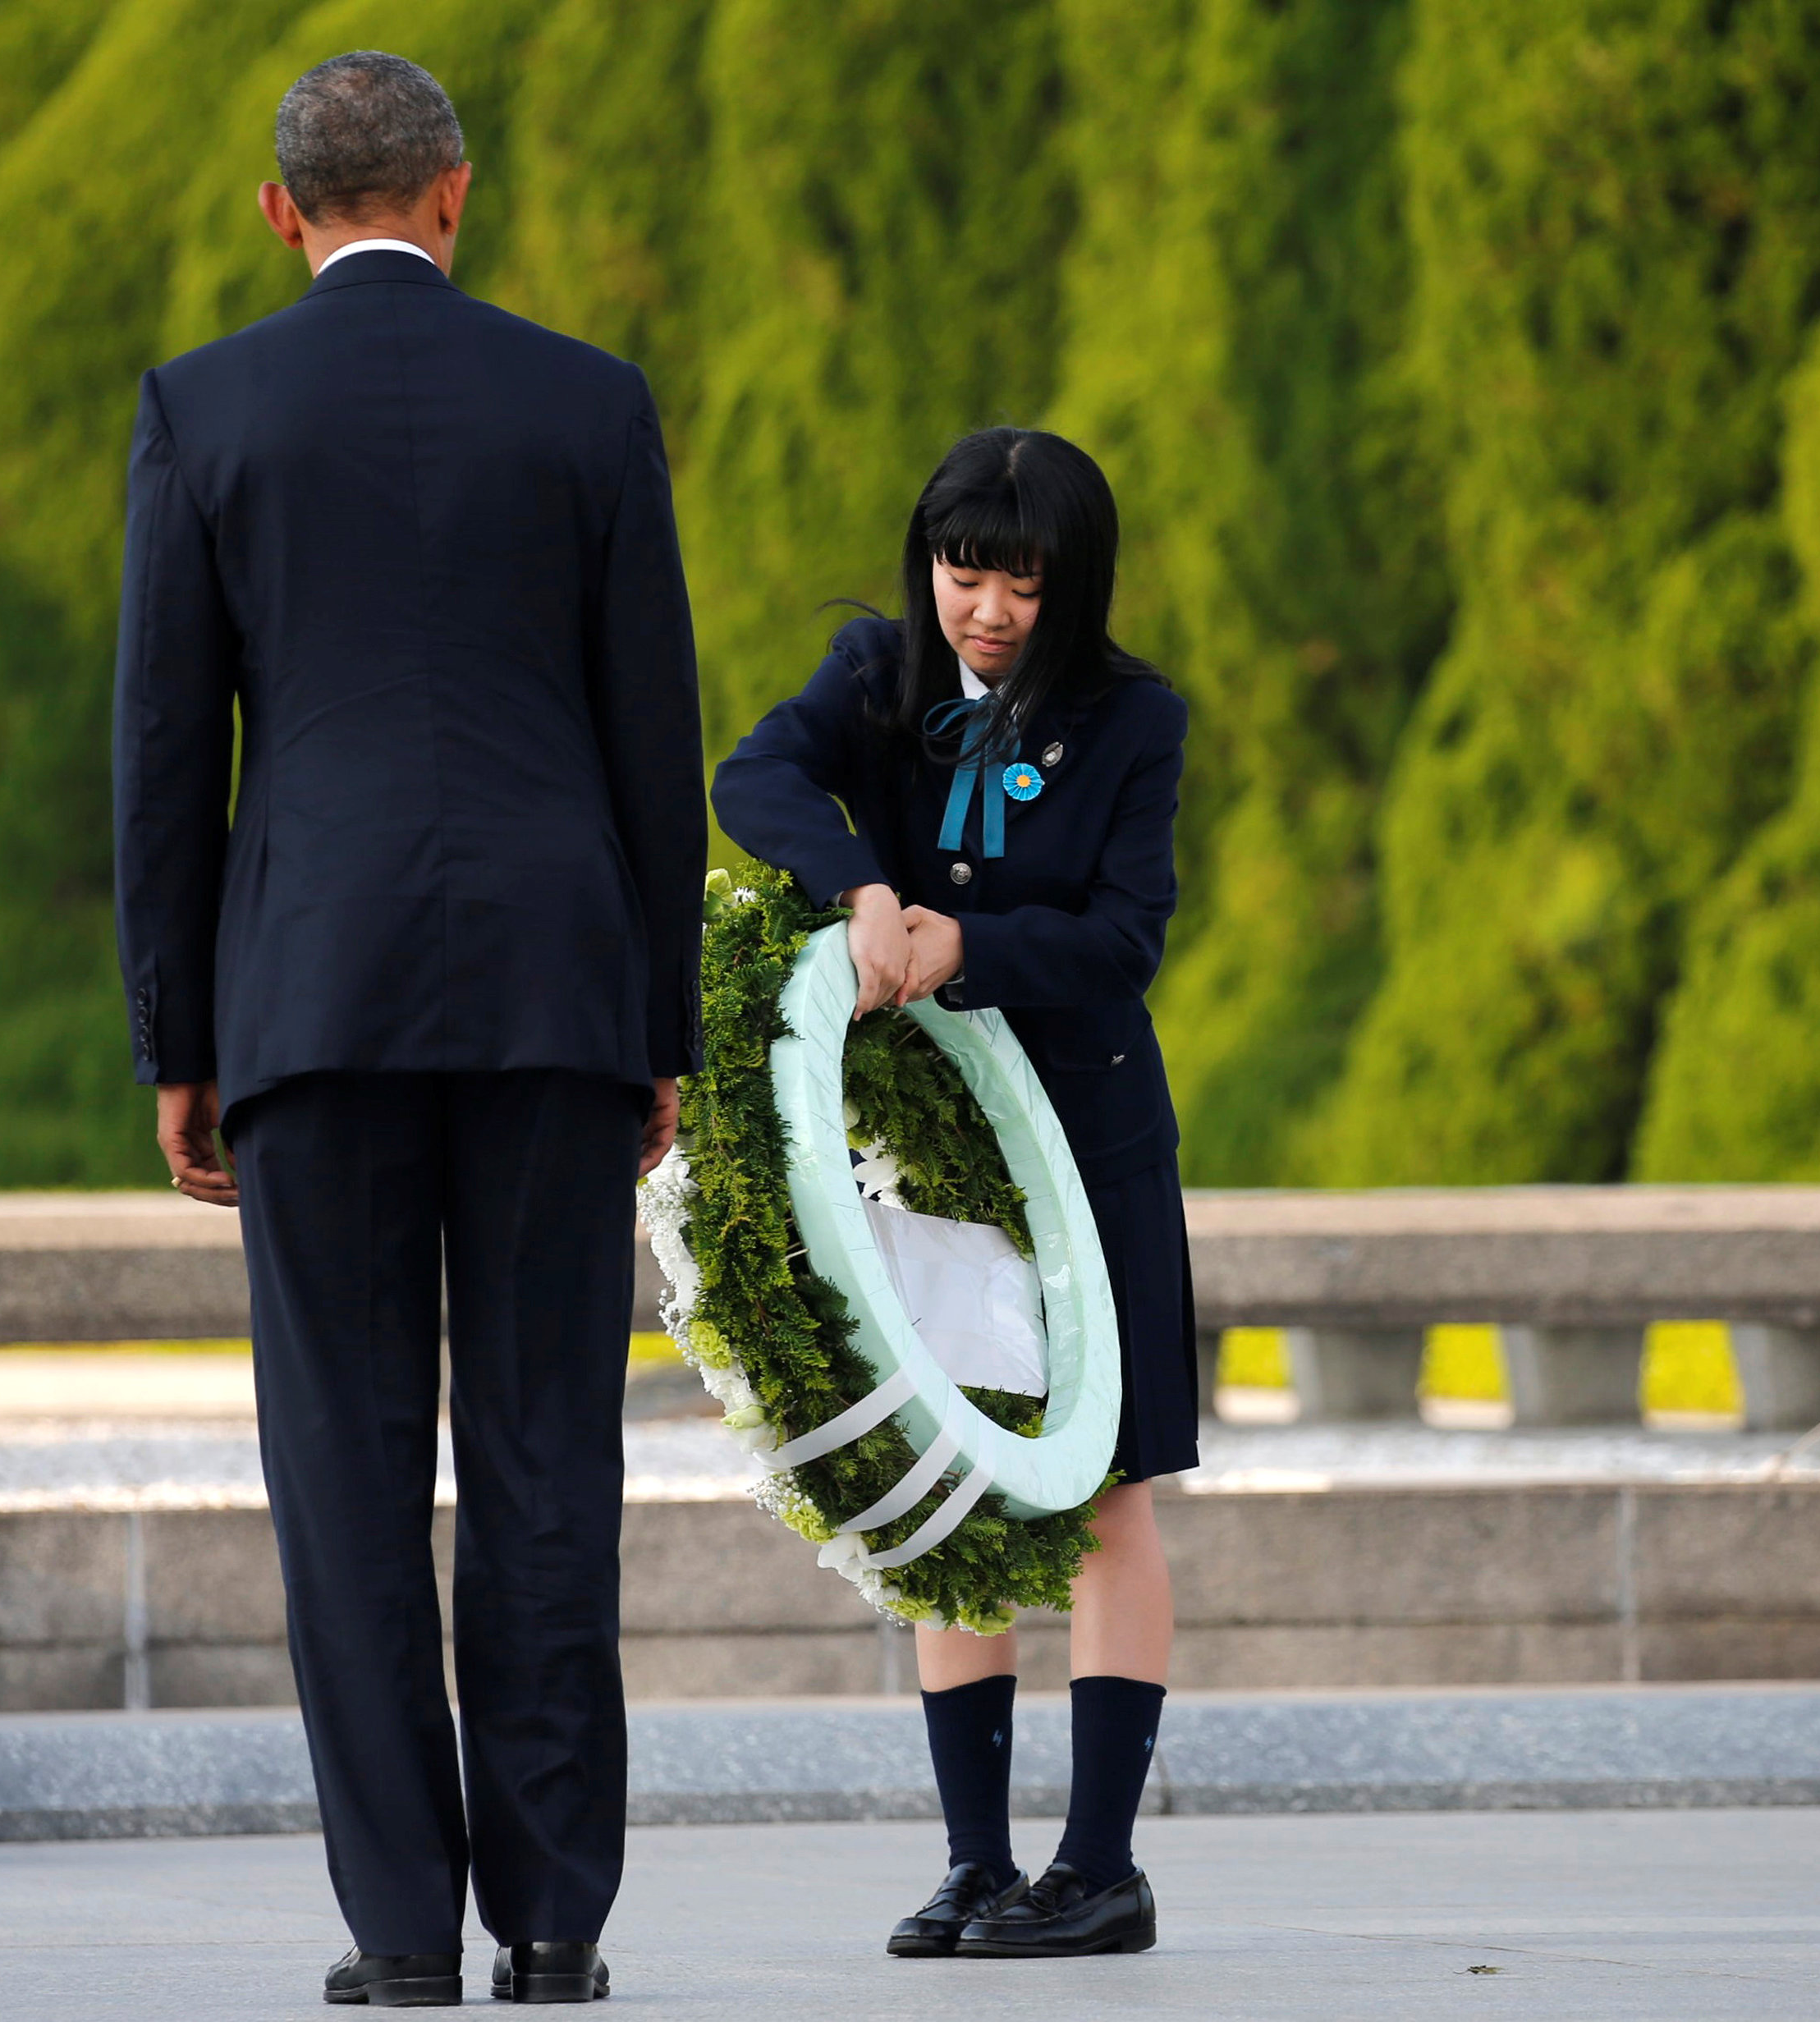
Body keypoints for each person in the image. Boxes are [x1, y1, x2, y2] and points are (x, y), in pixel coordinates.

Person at [110, 52, 704, 2009]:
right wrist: (659, 1022)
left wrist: (175, 1033)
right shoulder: (590, 403)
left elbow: (166, 752)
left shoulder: (207, 408)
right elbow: (650, 742)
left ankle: (395, 1928)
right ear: (457, 193)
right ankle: (555, 1918)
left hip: (311, 995)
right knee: (548, 1458)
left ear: (282, 212)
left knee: (344, 1473)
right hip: (550, 993)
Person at [714, 427, 1191, 1960]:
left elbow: (1124, 939)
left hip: (1090, 1135)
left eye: (1023, 584)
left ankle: (1100, 1868)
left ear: (1076, 587)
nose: (985, 608)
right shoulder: (877, 678)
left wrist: (967, 949)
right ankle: (977, 1866)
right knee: (961, 1463)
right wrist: (865, 890)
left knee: (1103, 1480)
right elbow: (754, 774)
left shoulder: (1134, 719)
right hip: (940, 1148)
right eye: (963, 570)